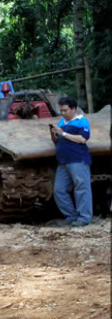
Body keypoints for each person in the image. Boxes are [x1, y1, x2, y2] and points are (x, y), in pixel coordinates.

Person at [50, 96, 92, 227]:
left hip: (78, 159)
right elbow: (59, 140)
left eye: (65, 110)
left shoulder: (82, 121)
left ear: (74, 109)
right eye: (61, 110)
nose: (63, 113)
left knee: (82, 188)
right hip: (63, 161)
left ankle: (84, 218)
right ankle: (71, 216)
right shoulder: (62, 122)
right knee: (59, 190)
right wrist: (54, 134)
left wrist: (63, 134)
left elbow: (82, 139)